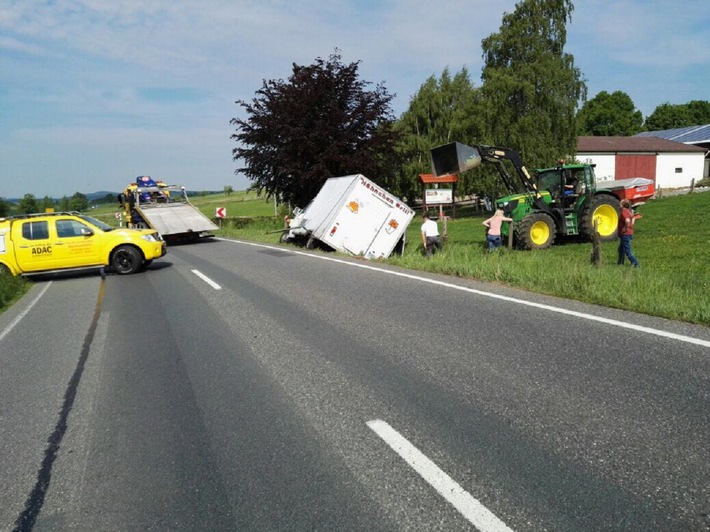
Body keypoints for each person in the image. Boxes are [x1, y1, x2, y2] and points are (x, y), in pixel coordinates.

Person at [617, 199, 639, 267]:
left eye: (620, 203)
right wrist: (630, 226)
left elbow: (627, 220)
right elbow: (633, 219)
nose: (619, 203)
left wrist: (625, 228)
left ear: (623, 205)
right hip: (629, 233)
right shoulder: (629, 211)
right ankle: (620, 263)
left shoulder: (624, 211)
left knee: (627, 251)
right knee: (621, 249)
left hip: (625, 234)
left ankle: (635, 263)